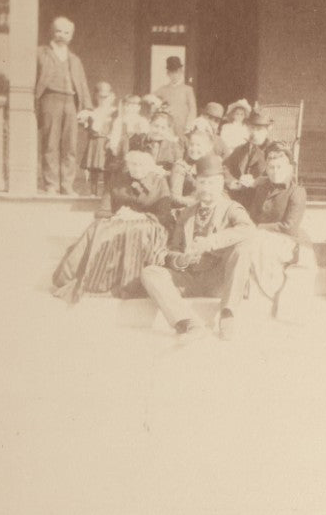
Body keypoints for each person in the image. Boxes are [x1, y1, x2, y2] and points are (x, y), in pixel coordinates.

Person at [141, 154, 255, 342]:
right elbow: (172, 249)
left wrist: (212, 241)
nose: (206, 188)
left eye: (211, 183)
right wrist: (180, 260)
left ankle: (228, 314)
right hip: (190, 277)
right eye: (202, 183)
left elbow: (248, 229)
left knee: (242, 248)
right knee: (151, 272)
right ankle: (187, 323)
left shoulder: (231, 208)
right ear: (196, 184)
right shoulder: (186, 213)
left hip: (219, 280)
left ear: (221, 184)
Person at [51, 148, 172, 302]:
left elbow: (164, 216)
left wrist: (140, 216)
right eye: (133, 164)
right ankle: (83, 277)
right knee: (97, 229)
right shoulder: (117, 180)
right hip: (119, 220)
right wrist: (116, 216)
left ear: (149, 166)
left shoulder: (159, 182)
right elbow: (103, 211)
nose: (136, 168)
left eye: (141, 165)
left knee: (134, 231)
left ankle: (128, 283)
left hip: (150, 225)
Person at [244, 142, 309, 302]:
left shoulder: (297, 192)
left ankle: (266, 292)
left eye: (279, 167)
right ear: (266, 169)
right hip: (260, 237)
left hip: (286, 240)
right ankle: (245, 284)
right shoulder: (263, 189)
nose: (275, 172)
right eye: (271, 167)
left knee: (258, 243)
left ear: (289, 168)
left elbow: (289, 227)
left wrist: (259, 228)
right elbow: (253, 216)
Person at [35, 16, 93, 195]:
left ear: (71, 36)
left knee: (70, 145)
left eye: (66, 32)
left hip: (70, 102)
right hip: (50, 99)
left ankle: (67, 184)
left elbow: (82, 84)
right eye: (58, 31)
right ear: (52, 32)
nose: (62, 35)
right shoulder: (41, 53)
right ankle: (51, 184)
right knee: (50, 143)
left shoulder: (74, 59)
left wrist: (86, 107)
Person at [79, 81, 117, 196]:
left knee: (107, 168)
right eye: (100, 97)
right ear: (96, 96)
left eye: (106, 97)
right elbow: (87, 127)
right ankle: (93, 193)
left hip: (107, 142)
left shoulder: (115, 112)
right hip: (95, 142)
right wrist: (86, 121)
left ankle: (107, 194)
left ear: (112, 96)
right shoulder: (91, 112)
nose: (103, 100)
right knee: (94, 169)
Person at [224, 110, 271, 195]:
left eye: (259, 129)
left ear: (268, 130)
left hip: (261, 197)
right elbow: (225, 167)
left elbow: (279, 176)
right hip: (237, 195)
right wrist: (232, 181)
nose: (254, 133)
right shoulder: (240, 149)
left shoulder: (273, 151)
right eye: (252, 128)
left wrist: (255, 182)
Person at [169, 129, 215, 206]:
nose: (194, 148)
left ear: (209, 147)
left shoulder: (212, 168)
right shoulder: (181, 167)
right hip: (186, 209)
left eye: (198, 145)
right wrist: (199, 202)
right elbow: (174, 198)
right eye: (191, 144)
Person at [154, 55, 197, 135]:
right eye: (171, 72)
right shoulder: (162, 89)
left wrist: (188, 126)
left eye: (177, 72)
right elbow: (150, 99)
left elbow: (192, 109)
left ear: (181, 72)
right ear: (168, 73)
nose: (174, 75)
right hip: (167, 128)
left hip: (183, 127)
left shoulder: (188, 90)